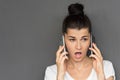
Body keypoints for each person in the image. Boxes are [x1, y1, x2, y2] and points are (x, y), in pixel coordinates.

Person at [44, 3, 115, 80]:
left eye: (84, 39)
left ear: (90, 39)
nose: (78, 46)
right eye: (72, 39)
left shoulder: (106, 67)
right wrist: (60, 75)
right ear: (64, 40)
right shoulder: (51, 72)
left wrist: (100, 74)